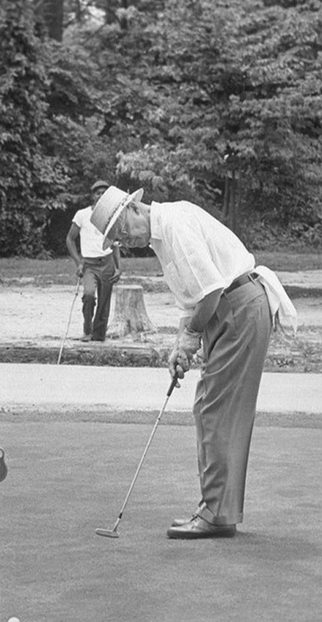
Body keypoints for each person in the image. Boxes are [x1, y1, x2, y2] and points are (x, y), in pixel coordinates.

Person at [91, 186, 297, 539]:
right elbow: (193, 299)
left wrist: (191, 338)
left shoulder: (176, 225)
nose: (125, 242)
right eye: (117, 241)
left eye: (121, 232)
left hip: (238, 307)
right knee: (208, 407)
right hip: (227, 311)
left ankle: (216, 514)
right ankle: (217, 510)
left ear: (134, 209)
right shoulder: (162, 237)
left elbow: (212, 290)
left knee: (215, 410)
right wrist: (180, 344)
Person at [65, 179, 122, 341]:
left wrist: (118, 267)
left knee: (104, 303)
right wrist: (79, 263)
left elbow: (115, 244)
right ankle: (87, 328)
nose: (101, 196)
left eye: (104, 193)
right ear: (93, 196)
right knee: (89, 295)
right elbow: (70, 239)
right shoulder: (82, 215)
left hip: (107, 262)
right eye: (98, 193)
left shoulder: (112, 217)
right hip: (89, 264)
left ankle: (98, 337)